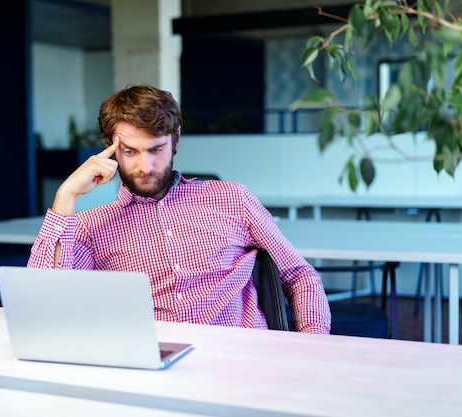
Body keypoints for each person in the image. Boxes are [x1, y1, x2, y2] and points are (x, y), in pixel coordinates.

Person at [27, 84, 331, 334]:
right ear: (109, 150)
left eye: (156, 149)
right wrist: (65, 196)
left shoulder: (232, 199)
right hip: (147, 364)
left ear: (175, 141)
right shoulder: (89, 226)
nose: (145, 167)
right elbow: (45, 305)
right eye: (129, 151)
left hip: (239, 358)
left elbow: (300, 275)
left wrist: (312, 346)